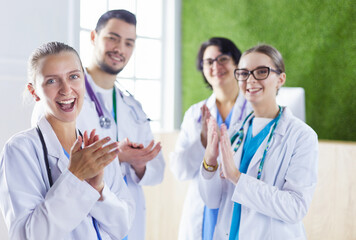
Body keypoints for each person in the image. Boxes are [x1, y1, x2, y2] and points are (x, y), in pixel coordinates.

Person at [32, 10, 165, 240]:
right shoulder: (62, 98)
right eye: (112, 38)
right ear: (93, 37)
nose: (120, 49)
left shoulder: (133, 106)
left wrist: (140, 163)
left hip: (126, 220)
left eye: (128, 43)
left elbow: (158, 171)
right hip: (79, 220)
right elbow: (51, 158)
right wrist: (117, 156)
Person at [0, 42, 135, 239]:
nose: (66, 89)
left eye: (73, 77)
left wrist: (97, 189)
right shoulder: (21, 150)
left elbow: (122, 227)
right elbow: (27, 236)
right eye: (52, 81)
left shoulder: (98, 148)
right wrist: (75, 176)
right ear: (34, 91)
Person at [199, 44, 318, 239]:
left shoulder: (302, 136)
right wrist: (210, 161)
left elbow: (295, 208)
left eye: (261, 72)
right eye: (244, 73)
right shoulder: (234, 132)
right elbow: (211, 201)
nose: (250, 80)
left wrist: (237, 178)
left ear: (281, 79)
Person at [170, 37, 252, 240]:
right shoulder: (194, 114)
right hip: (204, 207)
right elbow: (180, 171)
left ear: (236, 63)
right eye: (208, 62)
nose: (216, 66)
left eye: (223, 58)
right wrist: (202, 141)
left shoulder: (254, 109)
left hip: (241, 203)